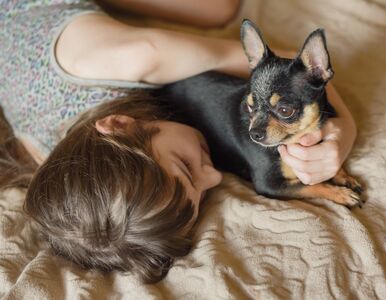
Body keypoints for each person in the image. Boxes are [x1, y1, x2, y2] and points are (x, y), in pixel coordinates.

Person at [0, 0, 356, 283]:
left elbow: (285, 65)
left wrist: (342, 132)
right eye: (203, 194)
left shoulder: (141, 55)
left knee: (220, 7)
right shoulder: (62, 171)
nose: (214, 178)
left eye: (187, 168)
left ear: (120, 124)